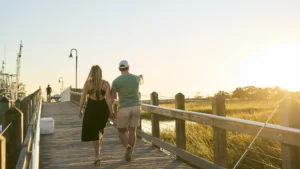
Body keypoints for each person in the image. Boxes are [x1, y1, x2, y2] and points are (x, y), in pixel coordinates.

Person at [78, 65, 114, 166]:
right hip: (102, 108)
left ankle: (97, 155)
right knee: (99, 130)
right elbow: (109, 99)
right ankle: (98, 154)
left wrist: (79, 110)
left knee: (94, 132)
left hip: (91, 108)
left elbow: (82, 98)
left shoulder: (88, 83)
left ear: (91, 73)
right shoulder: (106, 83)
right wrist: (111, 111)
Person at [111, 60, 144, 162]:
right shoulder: (136, 78)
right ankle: (131, 151)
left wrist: (111, 110)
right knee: (132, 130)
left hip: (124, 108)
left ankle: (127, 147)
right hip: (136, 107)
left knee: (121, 132)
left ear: (119, 69)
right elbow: (142, 79)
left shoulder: (116, 81)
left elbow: (112, 97)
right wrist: (141, 77)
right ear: (128, 67)